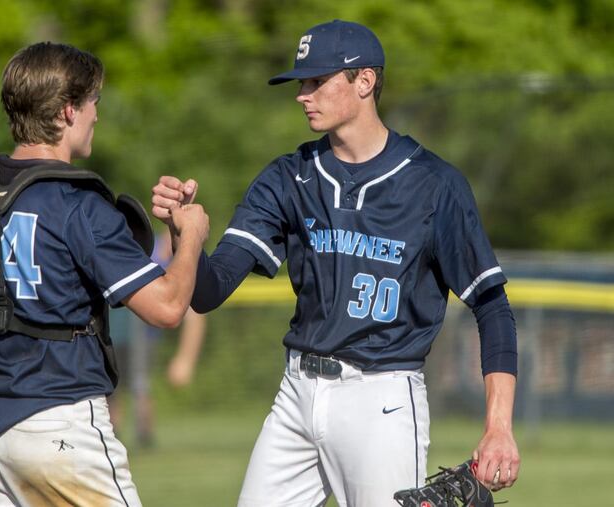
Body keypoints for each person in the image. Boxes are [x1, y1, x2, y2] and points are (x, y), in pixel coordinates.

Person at [151, 20, 520, 507]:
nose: (303, 94)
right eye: (301, 83)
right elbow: (209, 291)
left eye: (317, 81)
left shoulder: (434, 184)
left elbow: (492, 308)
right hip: (296, 394)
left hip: (381, 398)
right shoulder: (288, 177)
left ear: (364, 82)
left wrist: (498, 427)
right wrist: (186, 238)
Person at [0, 41, 208, 507]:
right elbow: (169, 309)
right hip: (61, 429)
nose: (97, 115)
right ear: (69, 111)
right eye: (94, 103)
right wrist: (189, 234)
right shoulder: (79, 205)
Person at [110, 230, 207, 447]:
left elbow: (195, 314)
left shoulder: (170, 254)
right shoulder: (132, 244)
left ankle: (144, 436)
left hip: (144, 334)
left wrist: (186, 359)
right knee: (110, 387)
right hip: (115, 331)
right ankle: (113, 434)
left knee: (140, 384)